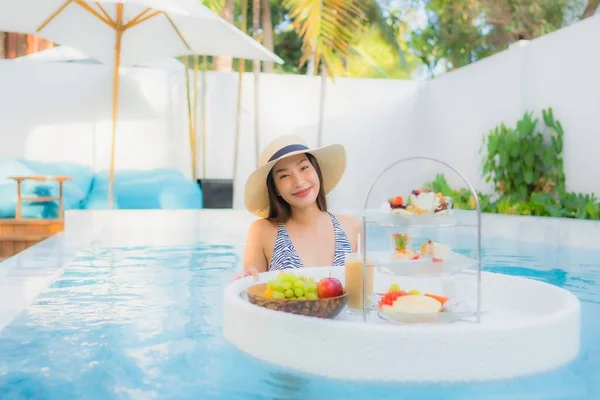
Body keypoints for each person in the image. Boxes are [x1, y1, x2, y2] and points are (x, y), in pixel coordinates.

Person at [233, 135, 362, 280]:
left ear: (317, 171)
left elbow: (366, 293)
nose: (299, 182)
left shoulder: (352, 227)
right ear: (275, 189)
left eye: (304, 167)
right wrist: (243, 282)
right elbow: (253, 294)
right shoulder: (261, 231)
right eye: (284, 176)